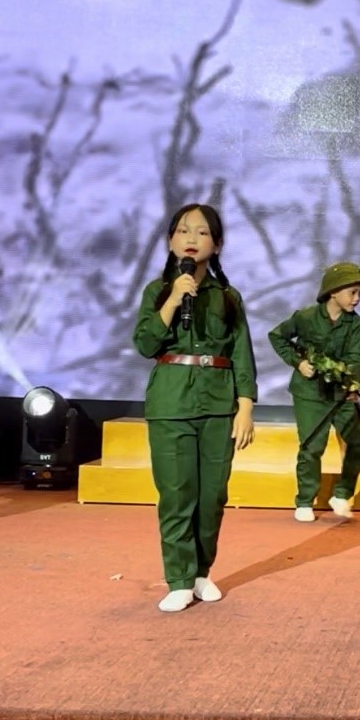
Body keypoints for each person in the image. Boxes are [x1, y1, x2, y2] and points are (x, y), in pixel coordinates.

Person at [133, 204, 257, 613]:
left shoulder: (228, 297)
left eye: (202, 233)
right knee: (176, 493)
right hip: (171, 402)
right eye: (183, 231)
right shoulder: (157, 292)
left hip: (219, 403)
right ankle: (179, 578)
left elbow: (241, 352)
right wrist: (172, 300)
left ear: (216, 244)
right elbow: (145, 344)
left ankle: (202, 572)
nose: (191, 239)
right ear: (170, 240)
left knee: (212, 495)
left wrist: (245, 406)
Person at [269, 261, 360, 522]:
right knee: (312, 446)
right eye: (352, 292)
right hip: (310, 393)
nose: (357, 298)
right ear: (333, 292)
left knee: (359, 440)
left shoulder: (354, 323)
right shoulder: (305, 317)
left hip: (341, 393)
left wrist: (354, 381)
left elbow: (358, 357)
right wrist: (298, 363)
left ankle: (342, 493)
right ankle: (305, 500)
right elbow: (278, 336)